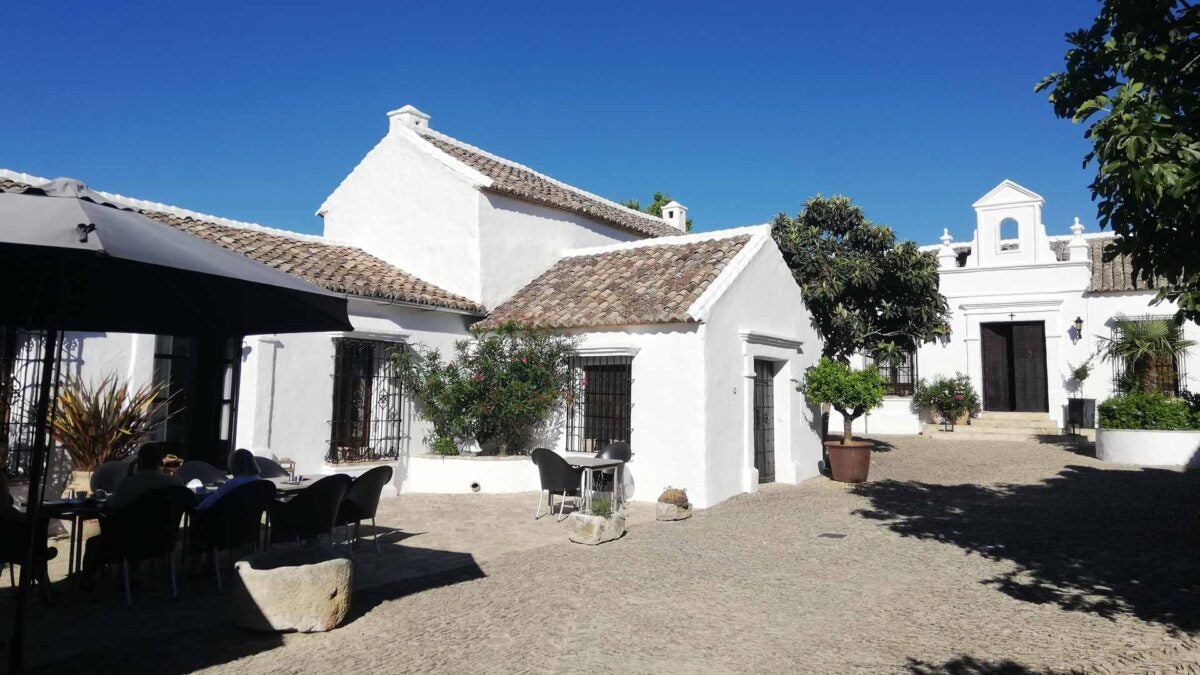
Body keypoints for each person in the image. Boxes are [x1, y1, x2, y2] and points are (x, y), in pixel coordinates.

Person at [80, 442, 182, 583]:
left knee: (93, 543)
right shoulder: (174, 483)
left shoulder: (129, 485)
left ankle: (87, 582)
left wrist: (129, 474)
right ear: (160, 461)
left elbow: (111, 505)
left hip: (127, 543)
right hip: (162, 541)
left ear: (139, 462)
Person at [195, 449, 261, 511]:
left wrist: (196, 510)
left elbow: (208, 502)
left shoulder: (234, 483)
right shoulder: (259, 481)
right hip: (251, 521)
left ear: (234, 465)